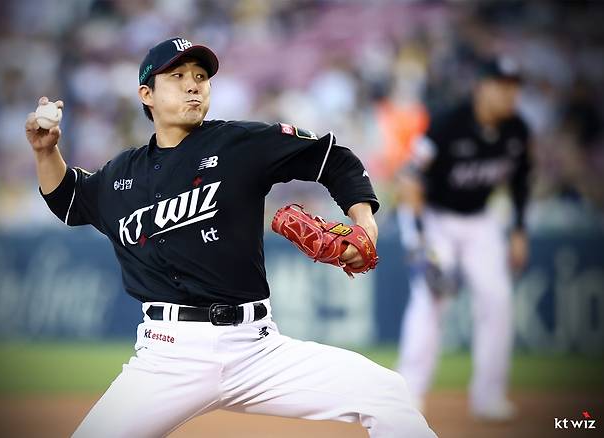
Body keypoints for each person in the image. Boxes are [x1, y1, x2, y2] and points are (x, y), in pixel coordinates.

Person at [25, 37, 435, 438]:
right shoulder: (121, 174)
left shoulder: (239, 143)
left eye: (201, 76)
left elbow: (333, 158)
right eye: (178, 75)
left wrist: (364, 221)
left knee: (385, 393)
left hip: (255, 348)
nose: (193, 84)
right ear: (146, 94)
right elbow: (68, 199)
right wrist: (46, 153)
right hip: (168, 355)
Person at [395, 56, 532, 421]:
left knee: (498, 300)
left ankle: (489, 396)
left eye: (513, 87)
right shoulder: (447, 123)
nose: (508, 94)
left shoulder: (517, 129)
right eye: (501, 85)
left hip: (482, 221)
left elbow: (520, 181)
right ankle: (408, 393)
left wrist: (519, 229)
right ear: (481, 87)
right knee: (430, 298)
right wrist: (418, 239)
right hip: (436, 218)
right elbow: (409, 179)